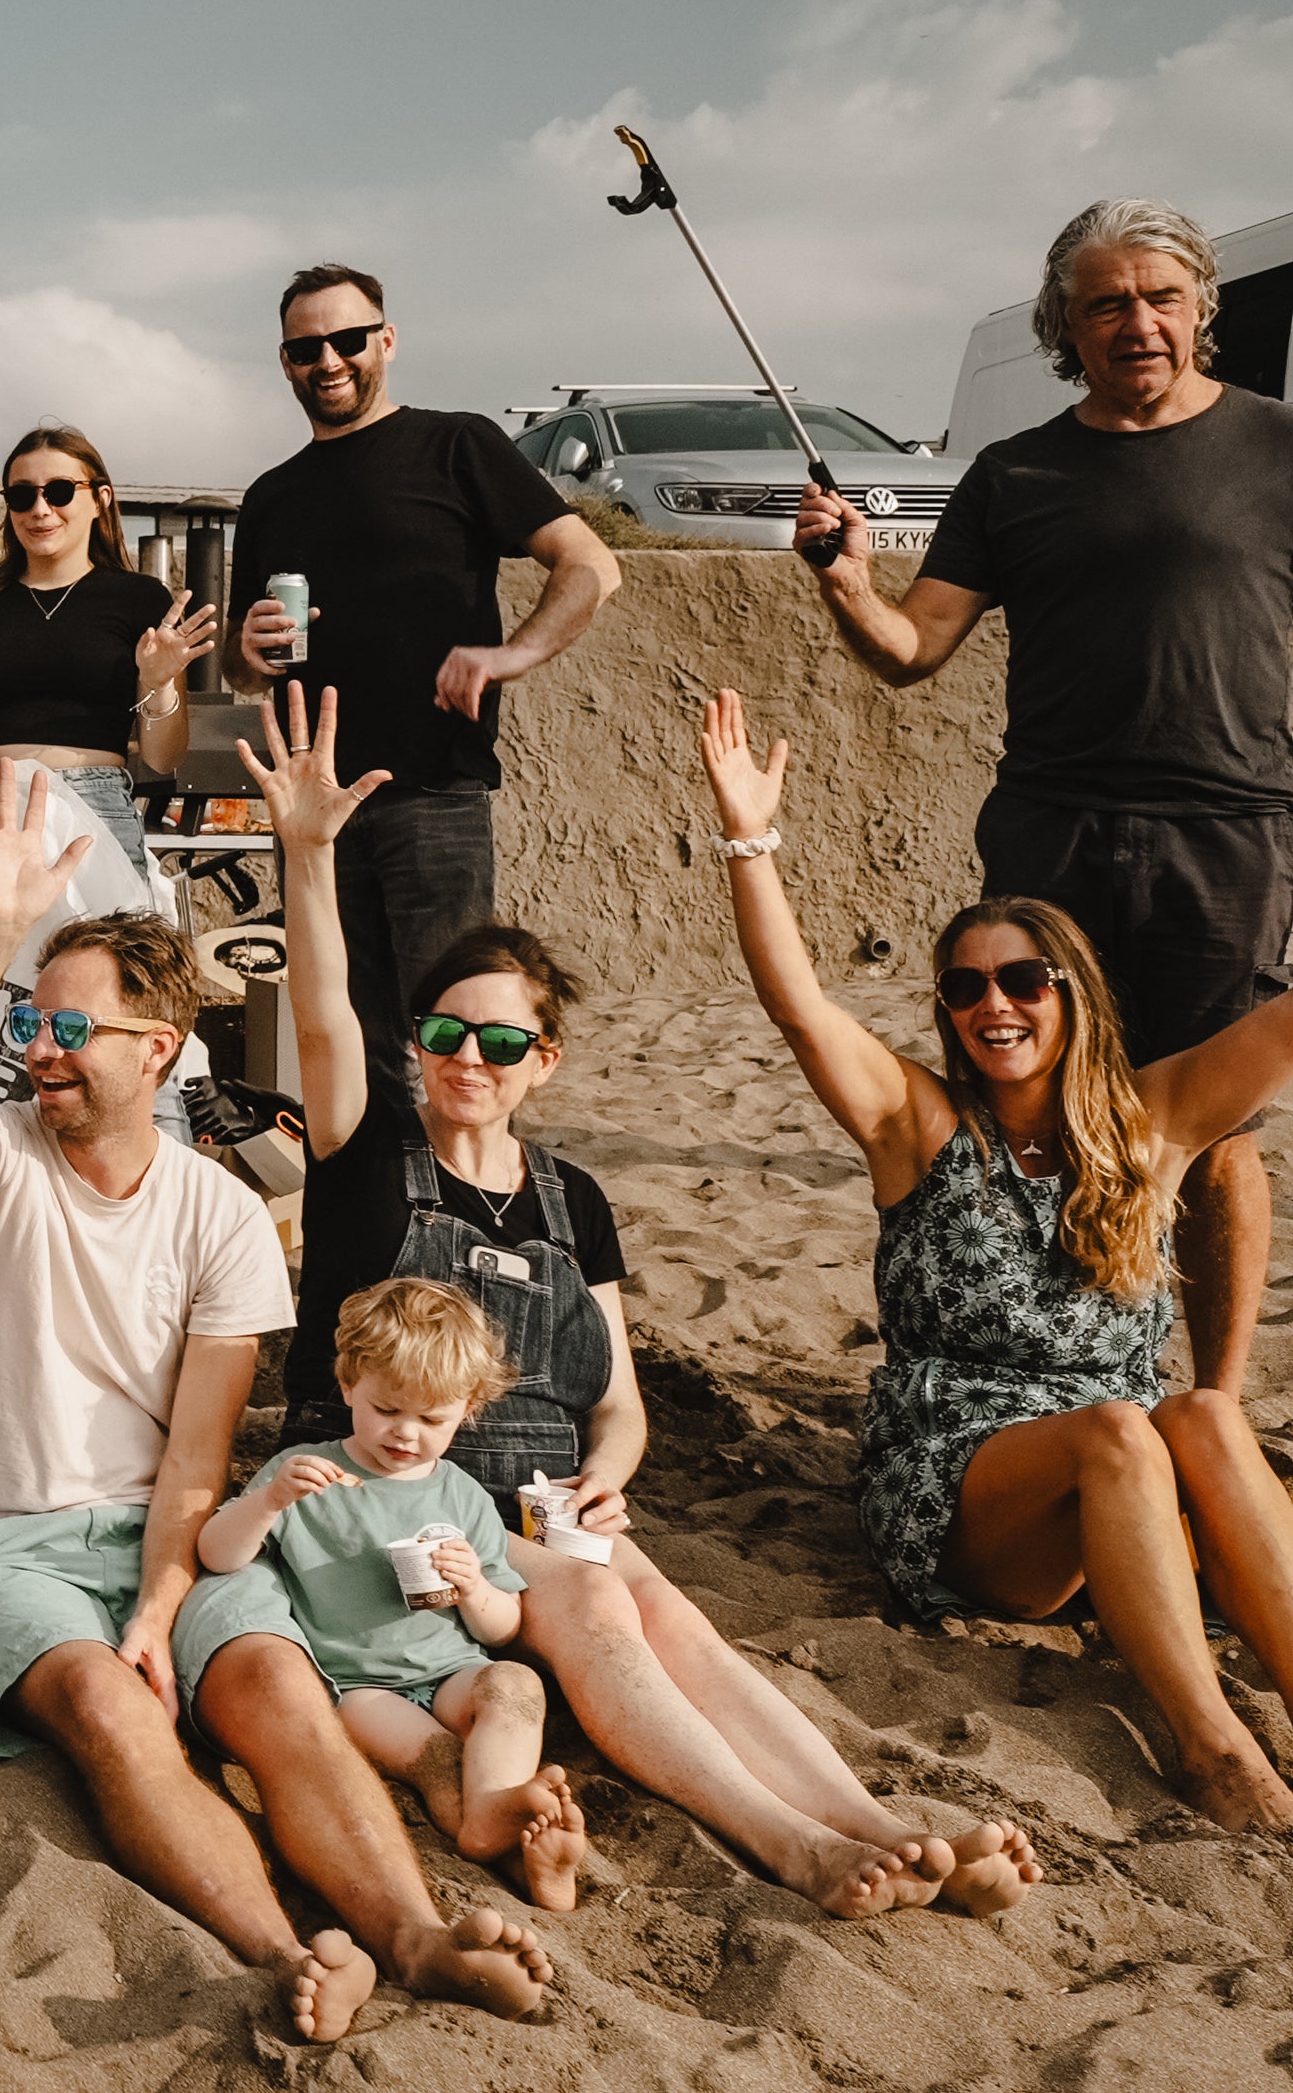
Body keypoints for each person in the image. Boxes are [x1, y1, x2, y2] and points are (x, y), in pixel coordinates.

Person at [249, 683, 1030, 1918]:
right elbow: (317, 1005)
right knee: (597, 1595)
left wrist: (612, 1471)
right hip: (389, 1488)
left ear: (539, 1063)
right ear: (419, 1041)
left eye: (500, 1045)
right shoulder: (366, 1162)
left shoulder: (574, 1202)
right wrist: (305, 855)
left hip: (539, 1502)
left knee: (664, 1604)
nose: (467, 1061)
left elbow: (613, 1400)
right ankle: (785, 1842)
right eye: (447, 1034)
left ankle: (877, 1821)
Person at [0, 761, 553, 2038]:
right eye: (35, 1022)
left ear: (159, 1050)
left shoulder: (221, 1214)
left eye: (73, 1031)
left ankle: (412, 1937)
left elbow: (199, 1452)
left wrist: (158, 1600)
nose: (43, 1051)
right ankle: (288, 1948)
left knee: (268, 1685)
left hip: (161, 1530)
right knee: (99, 1699)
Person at [704, 688, 1293, 1834]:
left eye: (1023, 979)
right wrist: (747, 840)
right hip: (963, 1491)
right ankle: (1211, 1746)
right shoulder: (916, 1128)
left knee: (1209, 1419)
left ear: (1069, 995)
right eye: (965, 985)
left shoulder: (1151, 1123)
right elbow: (797, 1007)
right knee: (1125, 1427)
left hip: (1119, 1502)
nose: (994, 1004)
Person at [798, 199, 1293, 1412]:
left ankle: (1211, 1406)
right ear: (1062, 327)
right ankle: (1071, 1384)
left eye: (1159, 297)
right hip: (1049, 834)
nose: (1136, 322)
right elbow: (910, 649)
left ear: (1200, 309)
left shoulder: (1280, 449)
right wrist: (846, 579)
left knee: (1211, 1134)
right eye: (1104, 303)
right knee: (1036, 1111)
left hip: (1228, 836)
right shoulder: (1013, 472)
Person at [226, 264, 621, 1101]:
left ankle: (463, 1199)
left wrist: (511, 655)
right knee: (345, 1037)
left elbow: (591, 565)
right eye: (306, 348)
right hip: (313, 810)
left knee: (456, 1028)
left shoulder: (457, 445)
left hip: (434, 793)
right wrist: (246, 651)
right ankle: (383, 1209)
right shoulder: (269, 496)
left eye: (347, 339)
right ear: (286, 361)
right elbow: (236, 664)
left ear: (387, 341)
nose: (328, 360)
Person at [197, 1279, 587, 1912]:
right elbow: (217, 1555)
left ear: (468, 1411)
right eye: (387, 1409)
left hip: (453, 1670)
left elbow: (501, 1628)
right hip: (358, 1687)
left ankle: (496, 1818)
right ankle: (513, 1848)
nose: (405, 1433)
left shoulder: (460, 1493)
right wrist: (268, 1501)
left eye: (432, 1419)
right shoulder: (307, 1473)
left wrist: (475, 1586)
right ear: (350, 1384)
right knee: (437, 1761)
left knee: (516, 1686)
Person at [0, 425, 216, 869]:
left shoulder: (142, 601)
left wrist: (159, 684)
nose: (40, 509)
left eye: (60, 491)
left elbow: (162, 758)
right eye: (22, 496)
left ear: (100, 499)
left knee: (105, 940)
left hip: (98, 806)